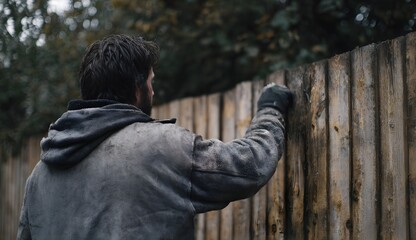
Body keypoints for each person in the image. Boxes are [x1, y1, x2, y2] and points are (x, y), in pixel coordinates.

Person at [17, 34, 293, 240]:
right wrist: (270, 110)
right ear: (137, 89)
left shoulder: (39, 177)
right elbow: (250, 166)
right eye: (151, 82)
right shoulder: (161, 147)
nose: (153, 91)